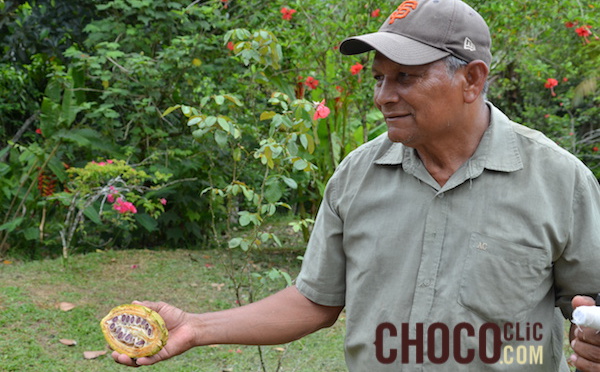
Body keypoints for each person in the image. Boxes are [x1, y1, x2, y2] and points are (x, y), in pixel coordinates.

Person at [113, 0, 600, 370]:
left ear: (472, 79)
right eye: (379, 78)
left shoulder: (557, 180)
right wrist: (197, 327)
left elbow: (590, 305)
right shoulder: (357, 175)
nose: (384, 96)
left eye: (405, 77)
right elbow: (315, 300)